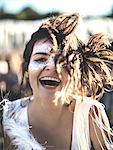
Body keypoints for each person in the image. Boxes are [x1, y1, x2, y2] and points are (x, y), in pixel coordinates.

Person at [2, 13, 113, 150]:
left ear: (76, 71)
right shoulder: (11, 115)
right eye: (40, 59)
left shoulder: (90, 113)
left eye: (63, 61)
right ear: (26, 70)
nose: (52, 67)